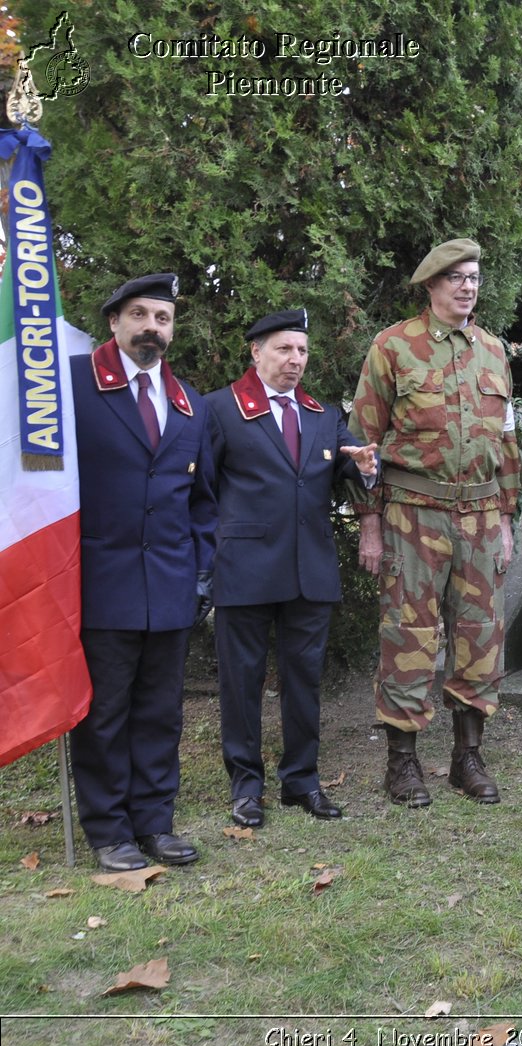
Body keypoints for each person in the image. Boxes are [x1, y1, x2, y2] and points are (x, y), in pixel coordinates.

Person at [350, 239, 518, 808]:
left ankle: (466, 758)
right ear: (431, 286)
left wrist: (507, 519)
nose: (467, 287)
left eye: (473, 277)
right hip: (413, 516)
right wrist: (369, 523)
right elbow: (363, 444)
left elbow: (507, 442)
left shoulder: (494, 352)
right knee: (410, 635)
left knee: (480, 637)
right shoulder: (393, 347)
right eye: (456, 279)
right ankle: (403, 763)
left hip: (480, 515)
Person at [206, 310, 378, 827]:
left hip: (309, 571)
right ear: (256, 352)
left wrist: (366, 468)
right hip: (245, 569)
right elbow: (201, 491)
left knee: (304, 680)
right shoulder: (220, 410)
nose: (295, 360)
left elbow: (350, 461)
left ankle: (301, 781)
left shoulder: (322, 414)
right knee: (242, 681)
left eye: (302, 351)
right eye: (284, 349)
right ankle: (246, 786)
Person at [69, 273, 216, 871]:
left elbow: (203, 501)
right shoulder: (72, 387)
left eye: (162, 317)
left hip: (172, 586)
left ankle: (155, 822)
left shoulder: (189, 402)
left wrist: (201, 572)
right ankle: (109, 830)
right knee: (105, 711)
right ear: (114, 322)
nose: (151, 327)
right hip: (100, 583)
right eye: (139, 315)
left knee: (161, 710)